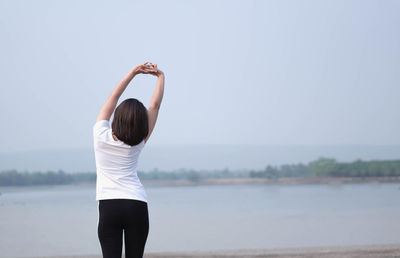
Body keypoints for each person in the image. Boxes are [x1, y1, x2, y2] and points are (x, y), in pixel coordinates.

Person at [93, 62, 165, 258]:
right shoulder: (139, 141)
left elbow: (113, 97)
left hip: (109, 206)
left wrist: (133, 73)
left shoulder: (100, 135)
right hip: (136, 204)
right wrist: (160, 77)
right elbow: (155, 106)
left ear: (117, 118)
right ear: (141, 123)